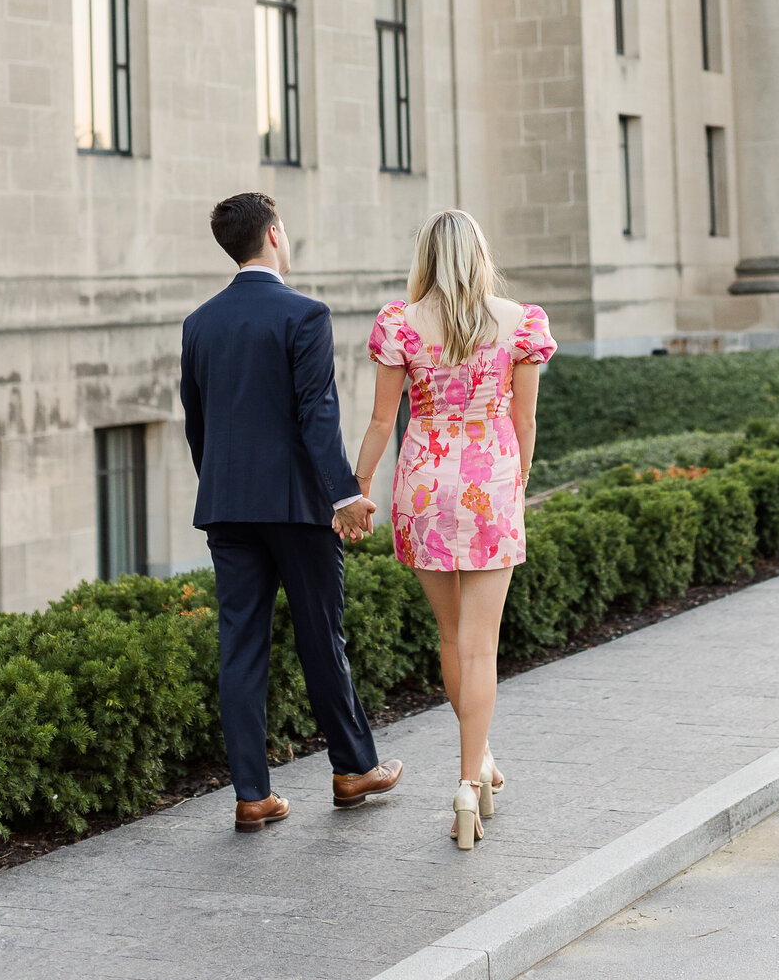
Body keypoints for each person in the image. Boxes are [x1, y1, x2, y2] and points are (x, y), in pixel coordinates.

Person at [180, 191, 403, 832]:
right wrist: (345, 495)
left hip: (227, 507)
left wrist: (224, 489)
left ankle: (252, 796)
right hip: (299, 508)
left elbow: (197, 423)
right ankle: (353, 769)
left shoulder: (199, 322)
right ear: (274, 234)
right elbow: (317, 416)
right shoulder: (305, 314)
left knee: (240, 647)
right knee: (320, 637)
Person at [352, 209, 556, 850]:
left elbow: (381, 422)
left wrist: (357, 488)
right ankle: (470, 782)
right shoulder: (520, 322)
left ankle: (481, 755)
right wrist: (518, 480)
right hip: (490, 485)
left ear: (427, 258)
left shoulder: (400, 323)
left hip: (423, 487)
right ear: (479, 255)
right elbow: (525, 424)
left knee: (450, 636)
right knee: (480, 646)